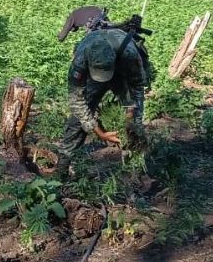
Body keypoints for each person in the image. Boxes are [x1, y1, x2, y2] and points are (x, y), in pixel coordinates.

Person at [55, 26, 148, 181]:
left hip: (122, 72)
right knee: (77, 121)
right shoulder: (81, 58)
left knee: (134, 126)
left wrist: (131, 116)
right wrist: (99, 132)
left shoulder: (129, 54)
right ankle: (61, 171)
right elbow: (77, 100)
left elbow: (137, 87)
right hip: (93, 76)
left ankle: (134, 173)